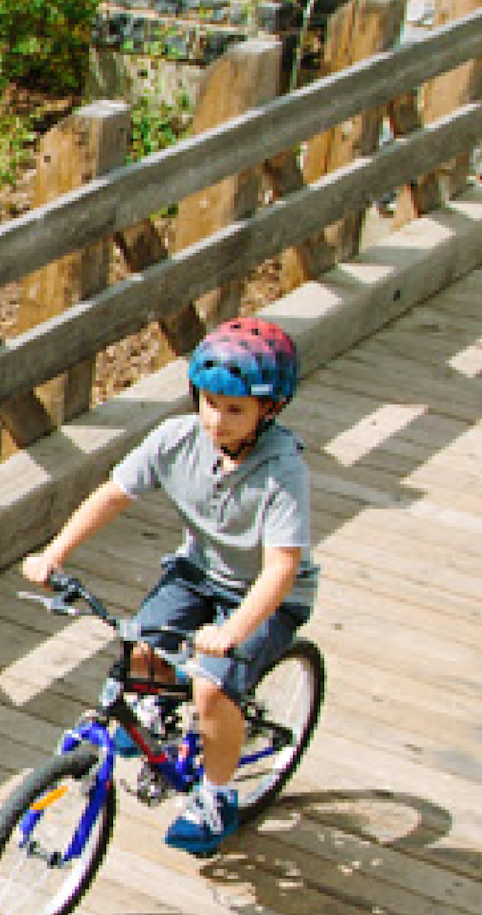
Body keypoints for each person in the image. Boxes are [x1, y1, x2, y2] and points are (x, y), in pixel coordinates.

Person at [18, 316, 318, 856]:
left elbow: (280, 568)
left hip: (266, 598)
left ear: (268, 411)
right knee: (139, 646)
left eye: (235, 410)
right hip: (200, 574)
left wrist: (233, 632)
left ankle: (215, 796)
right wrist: (53, 555)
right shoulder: (177, 440)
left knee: (209, 685)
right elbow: (112, 495)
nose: (216, 420)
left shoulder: (282, 473)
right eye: (208, 402)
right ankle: (158, 716)